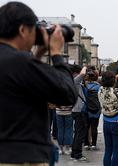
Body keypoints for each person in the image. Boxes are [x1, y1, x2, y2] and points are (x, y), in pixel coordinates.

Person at [0, 2, 77, 166]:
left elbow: (18, 82)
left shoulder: (16, 62)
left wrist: (37, 55)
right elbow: (67, 94)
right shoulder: (20, 62)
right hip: (20, 157)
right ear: (22, 30)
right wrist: (56, 53)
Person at [70, 65, 88, 161]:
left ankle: (74, 153)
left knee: (77, 132)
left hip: (76, 110)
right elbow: (83, 73)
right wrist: (84, 67)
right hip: (79, 110)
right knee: (80, 133)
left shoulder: (72, 81)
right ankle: (78, 154)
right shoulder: (75, 80)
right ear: (75, 73)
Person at [82, 66, 101, 150]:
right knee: (94, 127)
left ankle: (86, 144)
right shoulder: (98, 86)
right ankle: (93, 144)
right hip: (95, 110)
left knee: (86, 126)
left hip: (85, 108)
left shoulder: (84, 86)